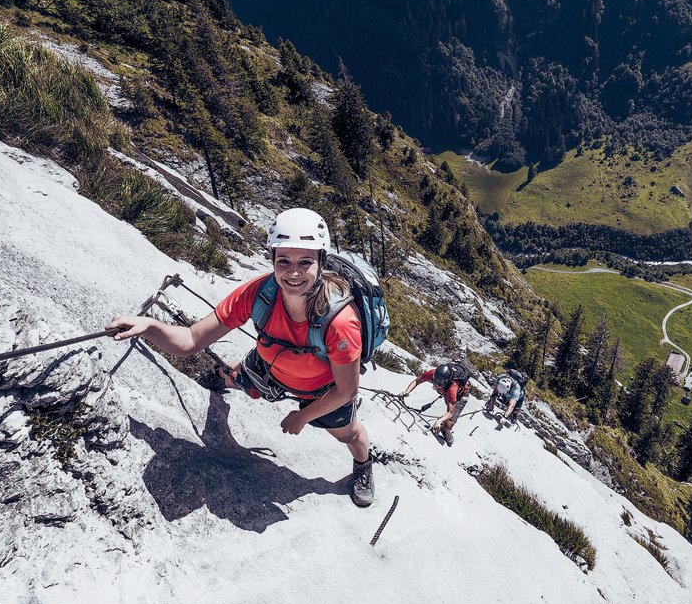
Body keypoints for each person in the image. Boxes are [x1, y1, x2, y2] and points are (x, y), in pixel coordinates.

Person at [108, 208, 374, 507]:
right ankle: (222, 378)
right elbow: (193, 339)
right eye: (283, 261)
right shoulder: (261, 293)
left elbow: (347, 390)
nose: (294, 272)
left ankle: (363, 467)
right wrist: (150, 326)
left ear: (321, 263)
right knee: (236, 377)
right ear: (272, 260)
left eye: (305, 262)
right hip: (270, 366)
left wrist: (303, 416)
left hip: (322, 392)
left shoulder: (340, 322)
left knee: (349, 435)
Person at [399, 362, 471, 446]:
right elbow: (417, 381)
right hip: (446, 392)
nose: (436, 386)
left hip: (460, 396)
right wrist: (406, 392)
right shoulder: (433, 373)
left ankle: (445, 430)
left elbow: (450, 413)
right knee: (447, 401)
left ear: (446, 381)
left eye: (439, 384)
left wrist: (439, 421)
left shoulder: (452, 388)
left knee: (448, 424)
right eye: (434, 382)